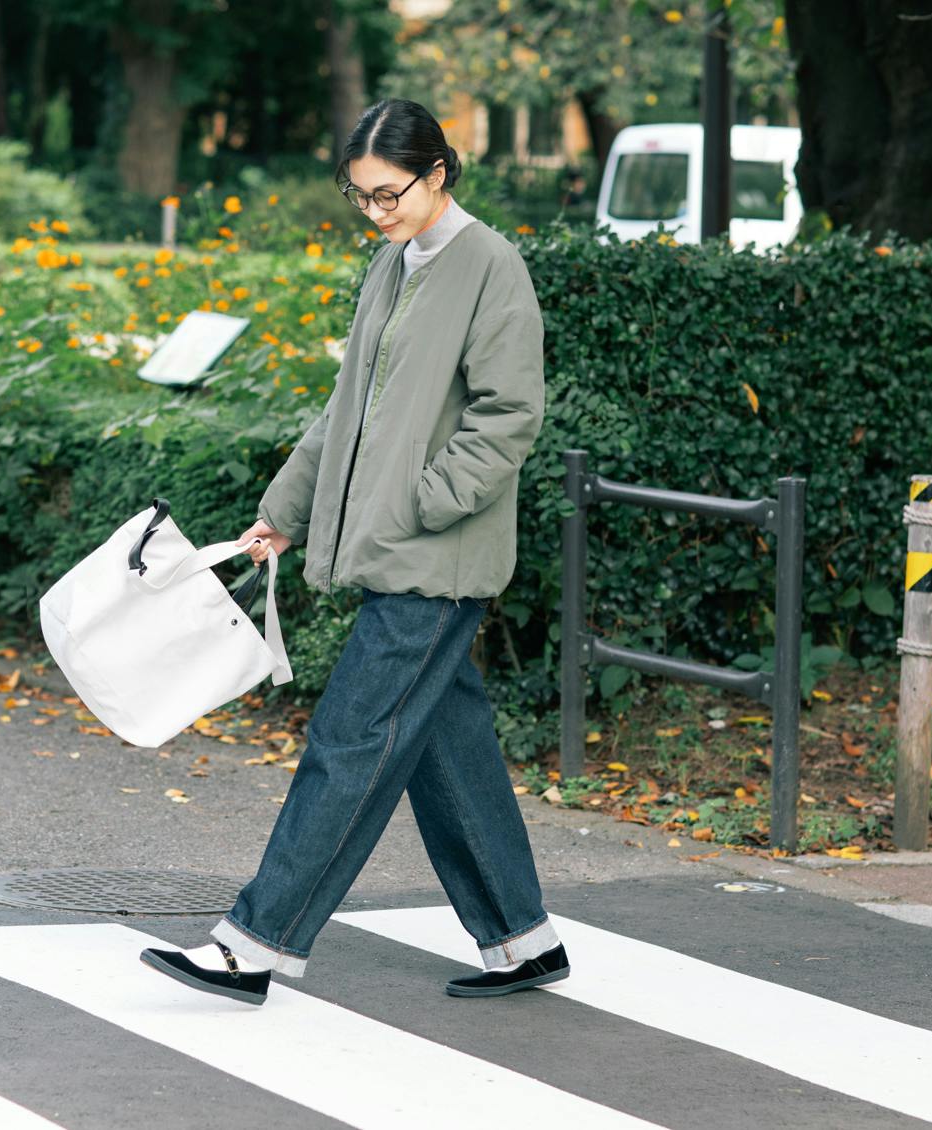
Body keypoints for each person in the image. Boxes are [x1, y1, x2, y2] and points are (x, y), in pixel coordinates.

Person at [140, 98, 569, 1006]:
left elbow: (509, 414)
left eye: (390, 193)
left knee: (351, 741)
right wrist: (284, 510)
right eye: (362, 196)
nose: (376, 212)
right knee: (444, 746)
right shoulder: (391, 264)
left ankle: (255, 943)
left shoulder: (491, 265)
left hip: (435, 557)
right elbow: (348, 409)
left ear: (439, 173)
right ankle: (522, 938)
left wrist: (425, 501)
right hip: (401, 548)